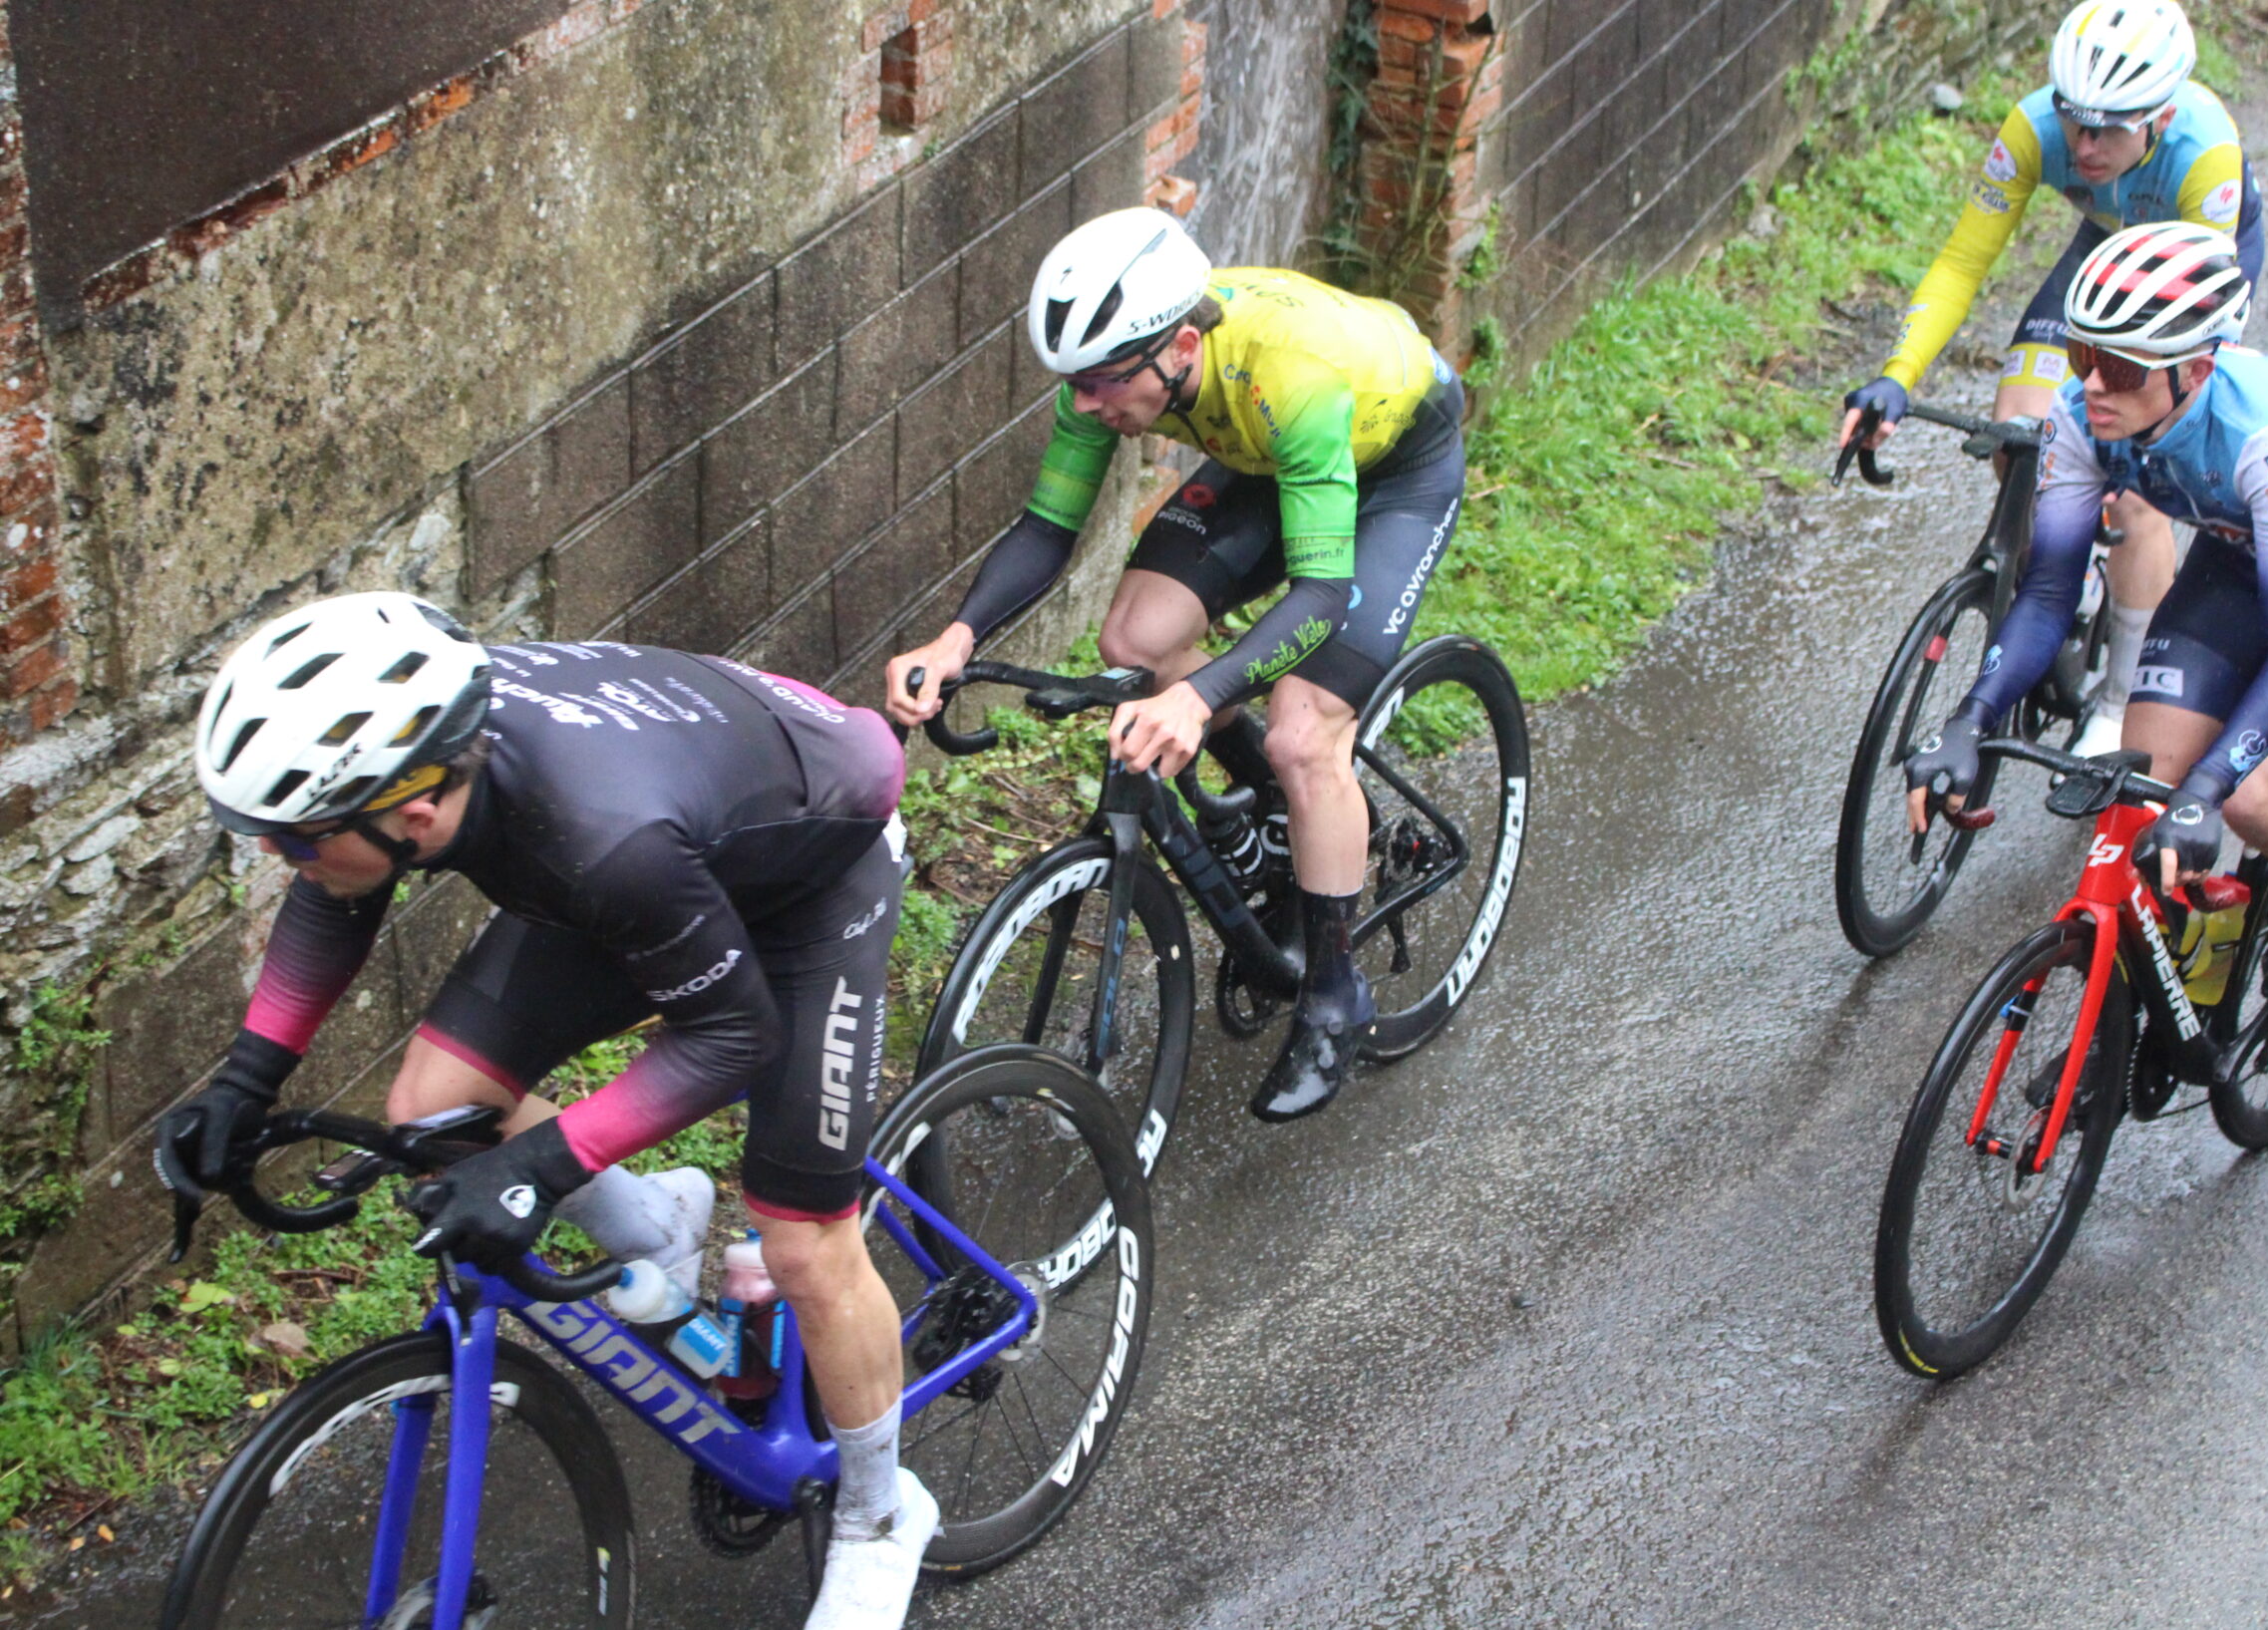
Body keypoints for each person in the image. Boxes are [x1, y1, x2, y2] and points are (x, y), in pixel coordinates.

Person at [157, 593, 933, 1630]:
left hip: (813, 869)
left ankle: (881, 1514)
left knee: (802, 1242)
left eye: (291, 839)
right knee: (434, 1110)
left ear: (414, 815)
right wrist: (246, 1080)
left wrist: (541, 1166)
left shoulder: (598, 836)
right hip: (665, 841)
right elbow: (336, 894)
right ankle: (654, 1222)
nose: (274, 855)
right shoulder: (424, 758)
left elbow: (730, 1037)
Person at [885, 207, 1467, 1123]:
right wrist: (957, 637)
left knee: (1305, 734)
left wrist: (1200, 697)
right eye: (1073, 384)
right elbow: (1048, 528)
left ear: (1181, 347)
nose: (1085, 405)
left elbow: (1322, 595)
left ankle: (1335, 991)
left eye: (1103, 383)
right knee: (1134, 640)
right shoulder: (1122, 368)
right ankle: (1275, 807)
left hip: (1395, 469)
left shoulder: (1290, 371)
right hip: (1274, 458)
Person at [1903, 223, 2268, 1049]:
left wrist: (2210, 788)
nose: (2092, 384)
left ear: (2197, 369)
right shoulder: (2081, 415)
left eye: (2120, 368)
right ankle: (2183, 995)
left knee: (2251, 796)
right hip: (2238, 542)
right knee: (2144, 785)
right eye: (2084, 355)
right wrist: (1970, 719)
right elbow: (2048, 594)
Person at [1840, 0, 2264, 758]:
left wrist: (2132, 439)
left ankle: (2122, 698)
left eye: (2110, 129)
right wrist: (1898, 375)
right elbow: (1963, 262)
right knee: (2020, 440)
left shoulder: (2206, 154)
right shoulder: (2034, 126)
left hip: (2183, 278)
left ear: (2161, 117)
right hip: (2099, 256)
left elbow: (2198, 333)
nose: (2085, 144)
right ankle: (2072, 581)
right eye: (2074, 120)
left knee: (2136, 490)